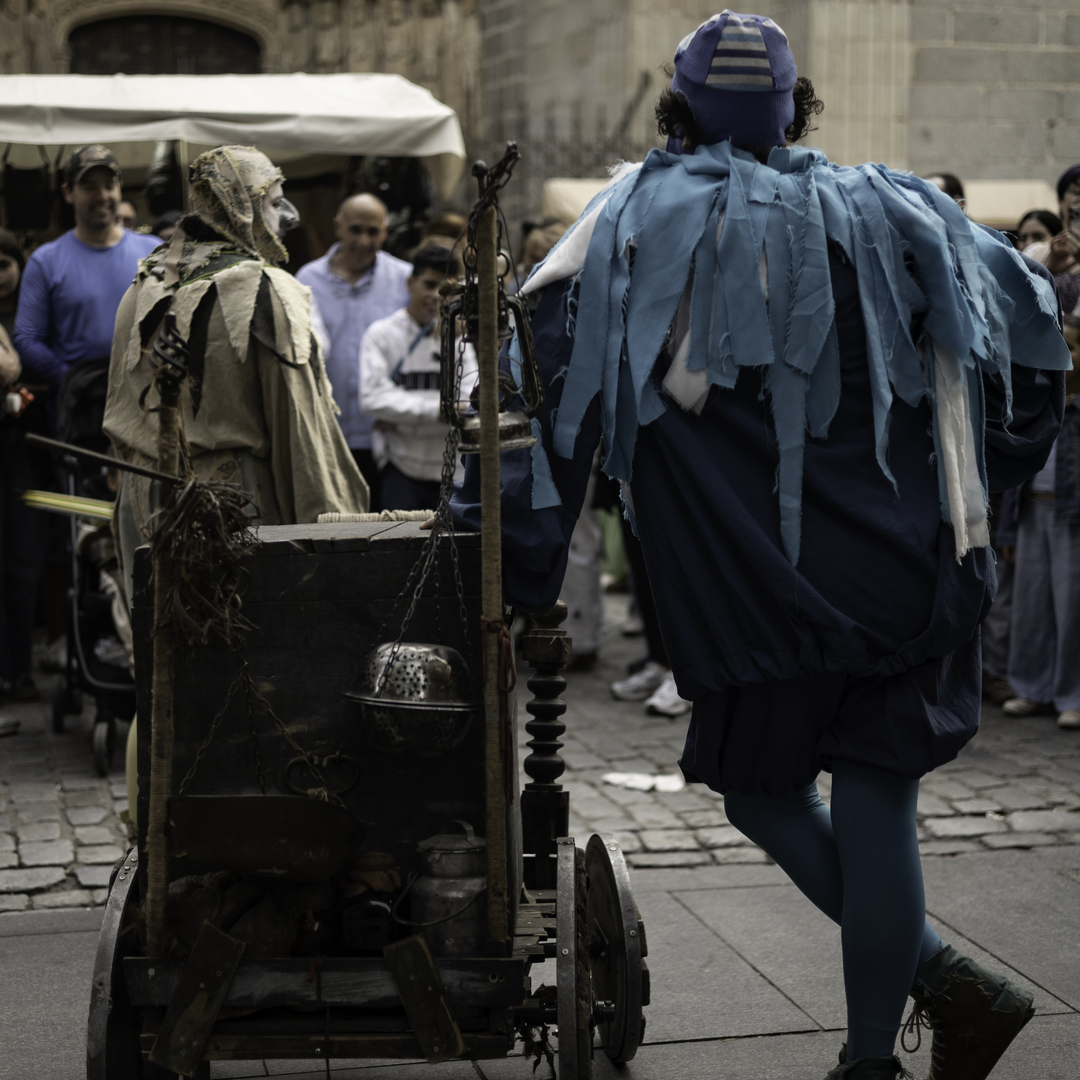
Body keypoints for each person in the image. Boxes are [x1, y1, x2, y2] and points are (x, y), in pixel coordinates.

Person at [451, 12, 1068, 1079]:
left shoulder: (625, 226)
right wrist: (971, 488)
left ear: (675, 110)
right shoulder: (895, 205)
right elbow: (1030, 355)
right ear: (800, 110)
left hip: (760, 592)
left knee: (765, 794)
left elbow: (538, 425)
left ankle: (943, 981)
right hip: (914, 573)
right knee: (882, 806)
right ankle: (875, 1058)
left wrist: (506, 577)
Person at [105, 144, 368, 602]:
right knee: (242, 659)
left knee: (162, 659)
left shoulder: (143, 281)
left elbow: (118, 413)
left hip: (142, 504)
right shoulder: (265, 290)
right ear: (239, 207)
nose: (285, 215)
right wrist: (336, 536)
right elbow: (301, 431)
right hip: (226, 508)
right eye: (271, 201)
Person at [296, 193, 411, 507]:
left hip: (389, 434)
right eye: (355, 230)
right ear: (338, 227)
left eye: (372, 232)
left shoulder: (405, 279)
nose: (363, 240)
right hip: (330, 432)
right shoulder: (307, 280)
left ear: (385, 231)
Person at [1002, 313, 1080, 730]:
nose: (1067, 355)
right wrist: (1008, 527)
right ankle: (1031, 688)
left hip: (1073, 519)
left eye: (1074, 346)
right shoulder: (1039, 400)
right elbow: (1018, 466)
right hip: (1033, 511)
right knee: (1031, 606)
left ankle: (1073, 696)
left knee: (1071, 610)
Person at [358, 244, 476, 511]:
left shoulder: (459, 339)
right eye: (429, 284)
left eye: (445, 288)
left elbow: (470, 405)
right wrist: (442, 410)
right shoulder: (381, 334)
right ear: (410, 282)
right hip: (401, 471)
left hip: (454, 473)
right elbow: (371, 399)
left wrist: (400, 412)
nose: (436, 295)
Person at [0, 229, 51, 706]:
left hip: (25, 452)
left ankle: (20, 670)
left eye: (5, 265)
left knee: (22, 562)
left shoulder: (32, 318)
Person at [1024, 164, 1080, 314]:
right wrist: (1049, 268)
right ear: (1060, 201)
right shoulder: (1036, 252)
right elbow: (1014, 300)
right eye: (1077, 192)